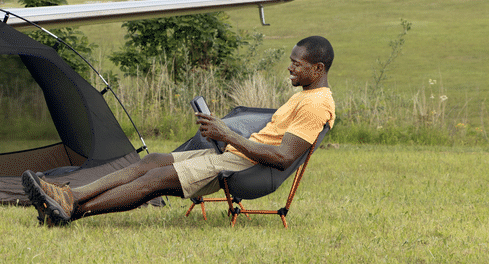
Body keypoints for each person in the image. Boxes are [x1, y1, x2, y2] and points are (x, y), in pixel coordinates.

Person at [22, 35, 335, 226]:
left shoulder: (316, 104)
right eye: (291, 62)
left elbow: (282, 157)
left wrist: (227, 135)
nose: (291, 68)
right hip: (238, 153)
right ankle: (70, 195)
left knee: (154, 180)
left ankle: (69, 210)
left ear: (318, 69)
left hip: (246, 164)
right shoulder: (306, 95)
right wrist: (224, 136)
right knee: (152, 161)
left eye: (297, 64)